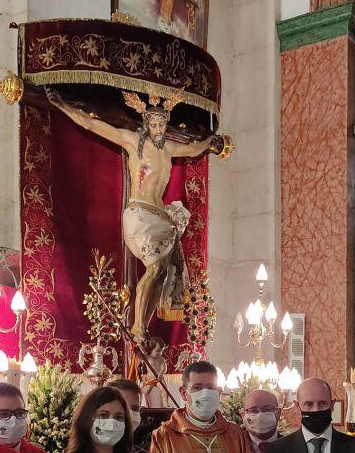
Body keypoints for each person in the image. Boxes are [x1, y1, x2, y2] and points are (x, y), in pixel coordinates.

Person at [46, 88, 228, 341]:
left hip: (159, 216)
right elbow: (90, 125)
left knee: (162, 272)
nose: (159, 129)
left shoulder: (169, 150)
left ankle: (144, 325)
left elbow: (195, 149)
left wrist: (212, 142)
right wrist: (62, 103)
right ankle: (137, 326)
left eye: (162, 124)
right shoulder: (133, 142)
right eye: (154, 124)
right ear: (147, 123)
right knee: (154, 269)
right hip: (139, 214)